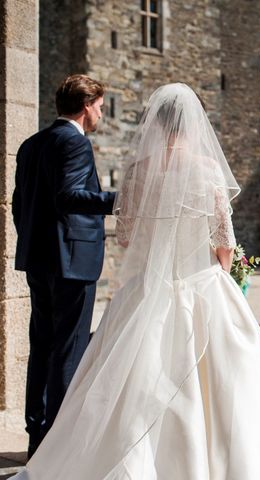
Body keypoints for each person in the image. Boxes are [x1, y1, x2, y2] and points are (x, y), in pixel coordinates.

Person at [12, 84, 260, 479]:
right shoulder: (208, 168)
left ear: (157, 125)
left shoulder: (138, 170)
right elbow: (224, 242)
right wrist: (227, 275)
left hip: (148, 286)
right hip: (202, 282)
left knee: (112, 375)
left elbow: (127, 237)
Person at [12, 75, 117, 457]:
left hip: (38, 260)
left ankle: (37, 436)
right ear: (87, 104)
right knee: (67, 352)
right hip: (72, 263)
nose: (102, 113)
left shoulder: (31, 144)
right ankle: (58, 445)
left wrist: (33, 242)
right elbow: (69, 196)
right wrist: (119, 201)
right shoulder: (75, 142)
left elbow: (18, 205)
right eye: (101, 106)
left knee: (41, 348)